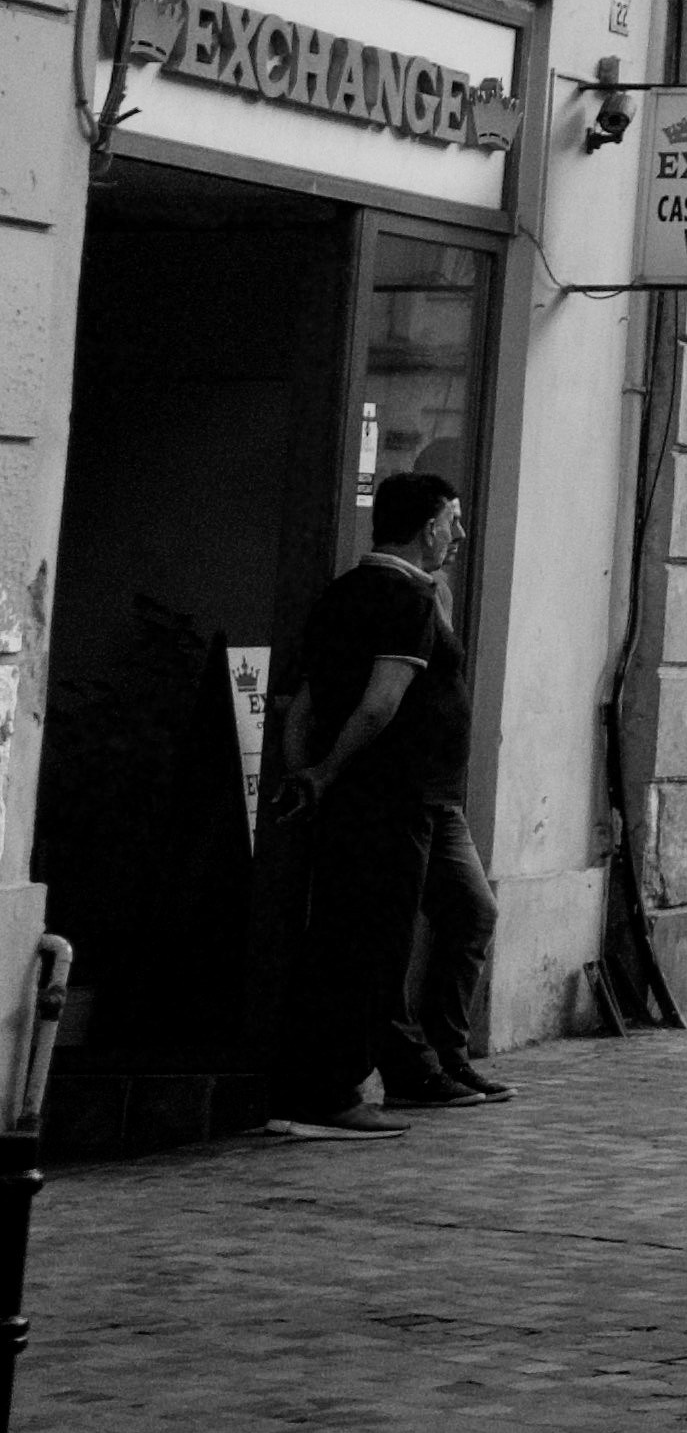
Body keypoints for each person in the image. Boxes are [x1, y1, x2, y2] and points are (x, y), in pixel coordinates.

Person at [267, 471, 487, 1137]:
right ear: (426, 527)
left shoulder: (341, 593)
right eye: (451, 520)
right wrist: (325, 772)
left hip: (364, 798)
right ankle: (332, 1094)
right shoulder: (406, 600)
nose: (458, 534)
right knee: (373, 945)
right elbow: (378, 705)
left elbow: (305, 707)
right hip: (393, 797)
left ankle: (347, 1081)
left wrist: (305, 776)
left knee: (341, 936)